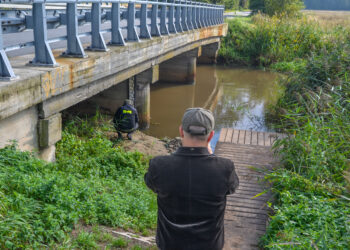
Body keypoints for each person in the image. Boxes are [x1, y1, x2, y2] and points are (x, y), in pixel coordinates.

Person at [144, 108, 239, 250]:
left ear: (181, 131)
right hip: (209, 245)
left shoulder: (159, 165)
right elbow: (232, 188)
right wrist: (212, 157)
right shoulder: (225, 168)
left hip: (170, 244)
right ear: (211, 135)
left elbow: (151, 183)